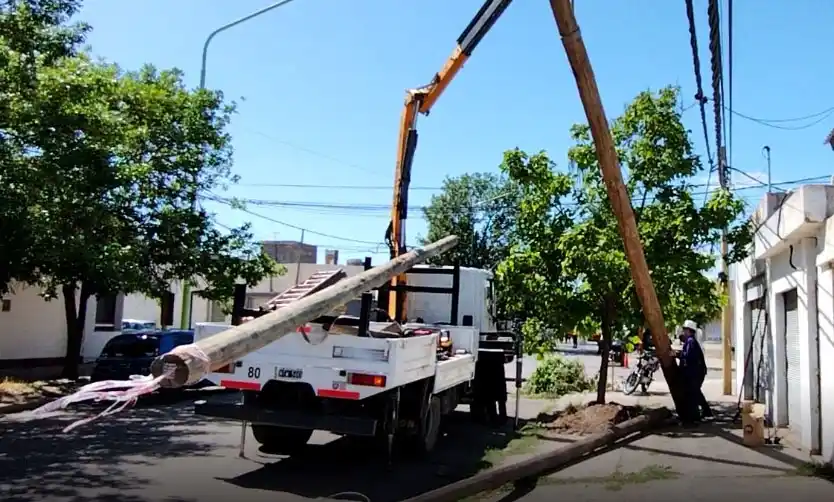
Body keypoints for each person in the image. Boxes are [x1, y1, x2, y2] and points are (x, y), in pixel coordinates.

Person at [679, 320, 713, 421]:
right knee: (696, 392)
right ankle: (706, 412)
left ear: (689, 331)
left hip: (695, 373)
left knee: (693, 393)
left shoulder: (691, 342)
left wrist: (677, 355)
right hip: (695, 372)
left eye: (685, 330)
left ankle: (696, 416)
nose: (683, 332)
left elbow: (688, 356)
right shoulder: (690, 341)